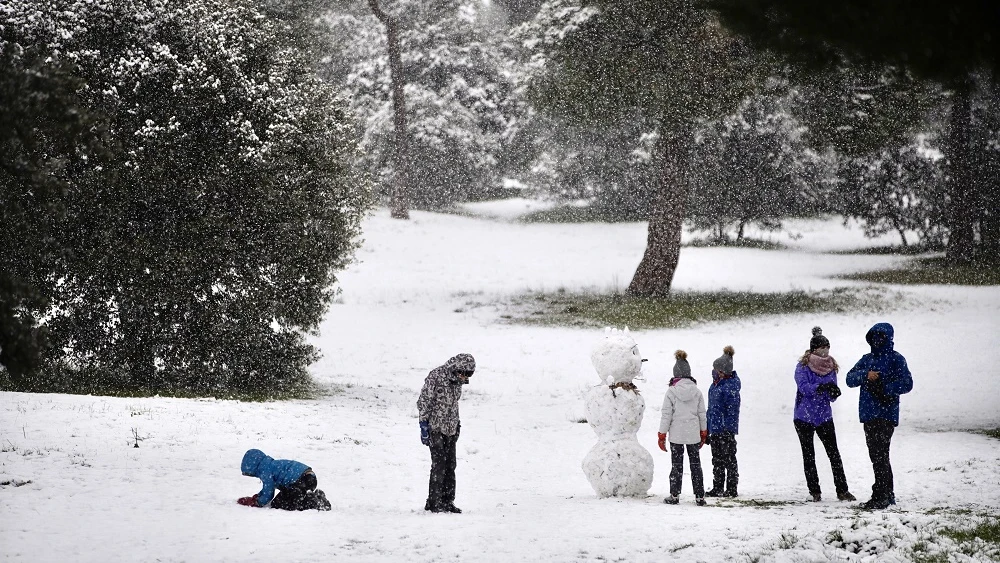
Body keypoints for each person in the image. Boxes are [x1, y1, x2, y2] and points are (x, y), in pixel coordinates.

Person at [846, 322, 913, 510]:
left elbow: (907, 383)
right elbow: (849, 379)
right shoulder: (866, 360)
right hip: (868, 414)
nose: (877, 340)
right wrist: (866, 375)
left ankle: (881, 494)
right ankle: (886, 494)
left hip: (886, 414)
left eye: (880, 337)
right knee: (878, 455)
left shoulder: (896, 359)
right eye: (874, 337)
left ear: (888, 338)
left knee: (880, 454)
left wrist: (886, 389)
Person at [793, 327, 856, 503]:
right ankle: (814, 491)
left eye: (827, 346)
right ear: (813, 349)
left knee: (834, 453)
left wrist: (833, 393)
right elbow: (803, 388)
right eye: (821, 347)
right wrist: (820, 387)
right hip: (803, 417)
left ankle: (842, 490)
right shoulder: (803, 367)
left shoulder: (831, 366)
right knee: (809, 455)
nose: (825, 350)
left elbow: (831, 396)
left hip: (824, 416)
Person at [417, 353, 476, 514]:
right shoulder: (436, 376)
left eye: (469, 374)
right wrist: (423, 424)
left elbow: (452, 404)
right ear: (456, 367)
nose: (465, 377)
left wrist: (457, 425)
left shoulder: (458, 380)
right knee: (439, 465)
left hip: (451, 428)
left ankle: (448, 501)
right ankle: (434, 503)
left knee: (451, 465)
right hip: (435, 428)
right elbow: (423, 401)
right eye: (463, 372)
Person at [657, 350, 708, 506]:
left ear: (675, 375)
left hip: (677, 435)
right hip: (693, 433)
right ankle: (699, 496)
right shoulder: (697, 392)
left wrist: (662, 434)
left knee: (676, 465)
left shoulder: (671, 392)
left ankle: (674, 495)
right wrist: (703, 431)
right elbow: (702, 414)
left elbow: (666, 415)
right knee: (696, 465)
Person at [237, 448, 331, 511]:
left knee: (283, 503)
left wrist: (257, 502)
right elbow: (267, 488)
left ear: (253, 468)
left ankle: (316, 502)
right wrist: (259, 495)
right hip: (309, 477)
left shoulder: (265, 471)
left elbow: (268, 492)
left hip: (302, 480)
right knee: (283, 498)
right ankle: (314, 495)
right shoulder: (270, 465)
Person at [705, 345, 741, 498]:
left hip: (725, 429)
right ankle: (718, 486)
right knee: (717, 460)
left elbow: (732, 410)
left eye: (716, 369)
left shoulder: (730, 387)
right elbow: (710, 409)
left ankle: (732, 488)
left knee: (729, 459)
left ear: (722, 371)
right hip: (715, 428)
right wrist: (707, 427)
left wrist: (727, 427)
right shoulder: (714, 387)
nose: (713, 371)